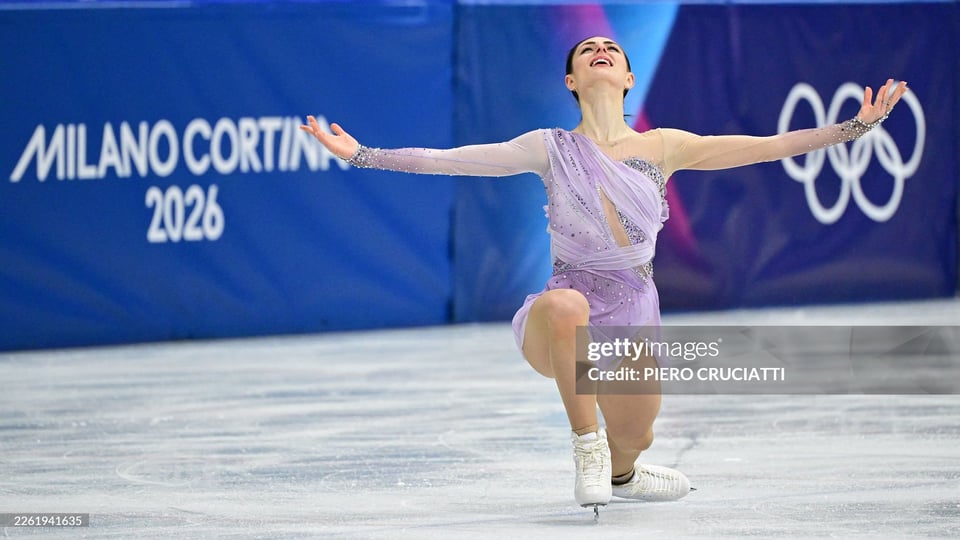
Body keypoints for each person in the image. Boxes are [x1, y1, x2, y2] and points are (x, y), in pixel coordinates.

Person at [300, 36, 908, 513]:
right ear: (572, 80)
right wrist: (361, 154)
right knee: (567, 308)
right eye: (587, 51)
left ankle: (622, 470)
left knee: (639, 435)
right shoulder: (549, 147)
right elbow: (454, 162)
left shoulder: (664, 146)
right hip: (563, 312)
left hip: (635, 313)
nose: (600, 51)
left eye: (610, 51)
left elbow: (765, 145)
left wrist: (854, 129)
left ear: (627, 77)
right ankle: (586, 448)